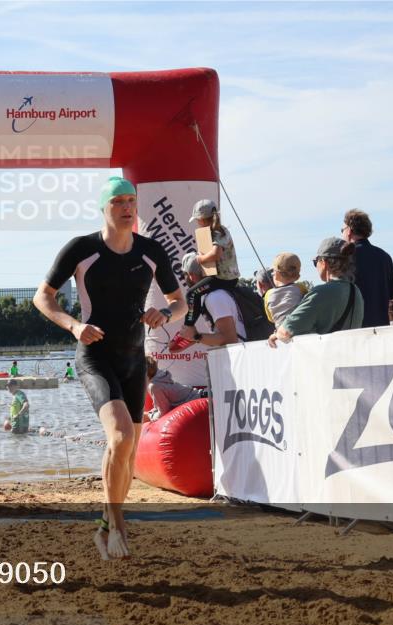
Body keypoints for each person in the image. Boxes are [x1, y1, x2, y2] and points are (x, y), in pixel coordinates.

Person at [33, 176, 184, 560]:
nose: (126, 207)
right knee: (119, 438)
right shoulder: (82, 249)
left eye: (131, 200)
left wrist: (164, 313)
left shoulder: (151, 251)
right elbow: (42, 298)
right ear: (104, 208)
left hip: (135, 359)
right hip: (96, 356)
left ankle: (102, 526)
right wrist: (74, 326)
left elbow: (179, 302)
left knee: (127, 452)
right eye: (118, 201)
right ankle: (118, 526)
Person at [268, 238, 364, 347]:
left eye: (315, 262)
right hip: (352, 357)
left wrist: (276, 335)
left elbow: (285, 332)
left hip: (327, 360)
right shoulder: (355, 290)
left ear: (324, 263)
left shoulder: (321, 293)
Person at [179, 199, 241, 341]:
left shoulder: (216, 232)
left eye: (197, 220)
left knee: (192, 293)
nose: (197, 223)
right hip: (230, 277)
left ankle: (188, 327)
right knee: (197, 295)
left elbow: (216, 254)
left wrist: (200, 259)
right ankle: (192, 326)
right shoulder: (221, 230)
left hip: (222, 279)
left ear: (201, 219)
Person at [341, 209, 393, 327]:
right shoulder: (385, 256)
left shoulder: (345, 257)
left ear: (349, 231)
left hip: (353, 328)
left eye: (342, 230)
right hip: (381, 328)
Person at [178, 253, 246, 347]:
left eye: (184, 275)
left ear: (191, 276)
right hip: (234, 356)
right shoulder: (213, 295)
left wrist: (196, 336)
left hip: (237, 357)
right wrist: (192, 336)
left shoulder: (214, 297)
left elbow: (230, 339)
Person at [144, 355, 205, 422]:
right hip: (200, 395)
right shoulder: (158, 377)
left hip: (200, 400)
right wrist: (151, 413)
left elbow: (163, 413)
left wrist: (150, 416)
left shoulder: (154, 386)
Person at [264, 252, 306, 327]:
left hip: (280, 332)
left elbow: (270, 318)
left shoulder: (268, 294)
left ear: (276, 274)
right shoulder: (300, 288)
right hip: (301, 328)